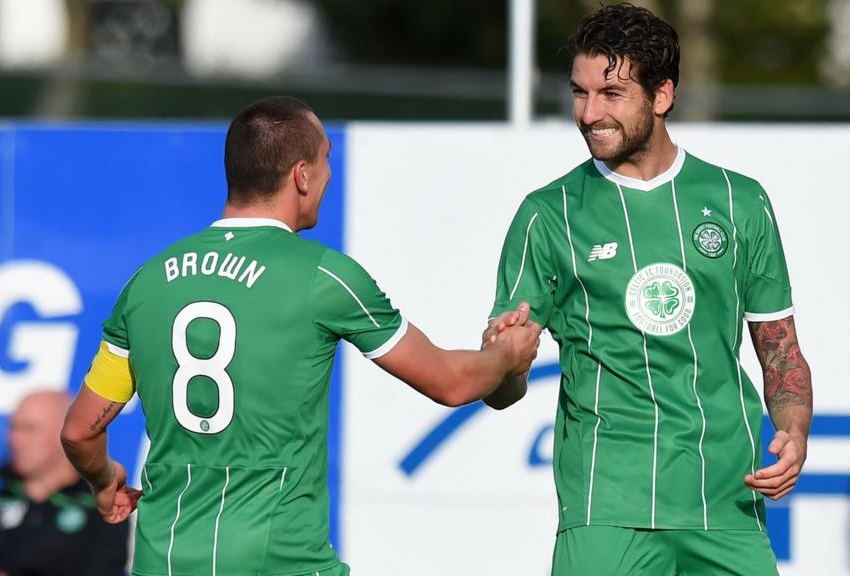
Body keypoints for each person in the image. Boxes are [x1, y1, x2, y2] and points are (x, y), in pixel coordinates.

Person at [58, 96, 540, 576]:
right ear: (301, 175)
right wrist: (505, 354)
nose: (331, 173)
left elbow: (81, 431)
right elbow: (450, 382)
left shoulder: (147, 281)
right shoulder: (324, 277)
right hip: (280, 560)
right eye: (326, 157)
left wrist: (105, 481)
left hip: (164, 559)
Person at [482, 5, 813, 575]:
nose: (589, 113)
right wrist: (506, 363)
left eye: (611, 94)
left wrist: (794, 430)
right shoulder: (548, 214)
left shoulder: (740, 201)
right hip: (605, 508)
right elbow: (502, 388)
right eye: (579, 93)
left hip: (726, 503)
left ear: (662, 96)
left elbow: (779, 349)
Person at [0, 390, 129, 576]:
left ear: (65, 434)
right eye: (13, 428)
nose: (15, 440)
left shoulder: (102, 512)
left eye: (29, 429)